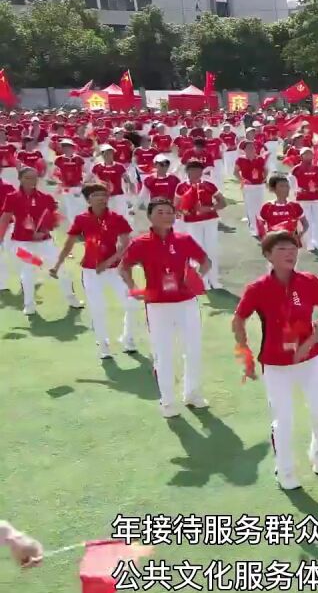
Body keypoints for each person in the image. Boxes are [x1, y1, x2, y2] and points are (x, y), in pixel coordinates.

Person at [232, 231, 318, 491]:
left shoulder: (309, 281)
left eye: (293, 248)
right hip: (276, 364)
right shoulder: (257, 289)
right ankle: (286, 469)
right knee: (284, 419)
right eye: (282, 249)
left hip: (310, 360)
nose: (290, 253)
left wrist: (309, 343)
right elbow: (238, 320)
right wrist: (244, 351)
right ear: (268, 255)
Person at [119, 200, 211, 418]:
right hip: (158, 304)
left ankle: (192, 394)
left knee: (193, 350)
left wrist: (196, 277)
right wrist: (134, 288)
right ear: (150, 216)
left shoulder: (184, 239)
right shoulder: (140, 243)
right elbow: (124, 267)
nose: (167, 216)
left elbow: (205, 261)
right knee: (164, 354)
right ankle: (168, 401)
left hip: (186, 302)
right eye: (161, 212)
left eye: (170, 212)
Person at [50, 183, 140, 358]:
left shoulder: (117, 218)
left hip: (116, 271)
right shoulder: (81, 219)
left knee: (132, 303)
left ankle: (127, 338)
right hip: (91, 272)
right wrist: (57, 265)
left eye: (104, 195)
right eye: (96, 195)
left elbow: (125, 244)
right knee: (98, 308)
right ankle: (103, 344)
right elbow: (69, 244)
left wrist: (109, 262)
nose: (101, 198)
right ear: (88, 200)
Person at [0, 167, 82, 314]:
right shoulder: (12, 197)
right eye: (28, 178)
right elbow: (5, 219)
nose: (32, 181)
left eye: (34, 177)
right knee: (28, 270)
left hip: (45, 242)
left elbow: (54, 220)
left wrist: (44, 230)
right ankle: (29, 305)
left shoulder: (46, 198)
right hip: (20, 243)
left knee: (61, 268)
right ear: (20, 179)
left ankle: (71, 298)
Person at [174, 160, 227, 290]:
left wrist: (209, 209)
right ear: (187, 171)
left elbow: (223, 202)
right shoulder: (181, 187)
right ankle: (201, 281)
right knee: (197, 251)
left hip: (209, 221)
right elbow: (176, 207)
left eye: (198, 170)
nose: (195, 173)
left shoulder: (209, 185)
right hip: (192, 223)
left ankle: (214, 280)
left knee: (211, 249)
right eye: (192, 170)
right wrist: (185, 210)